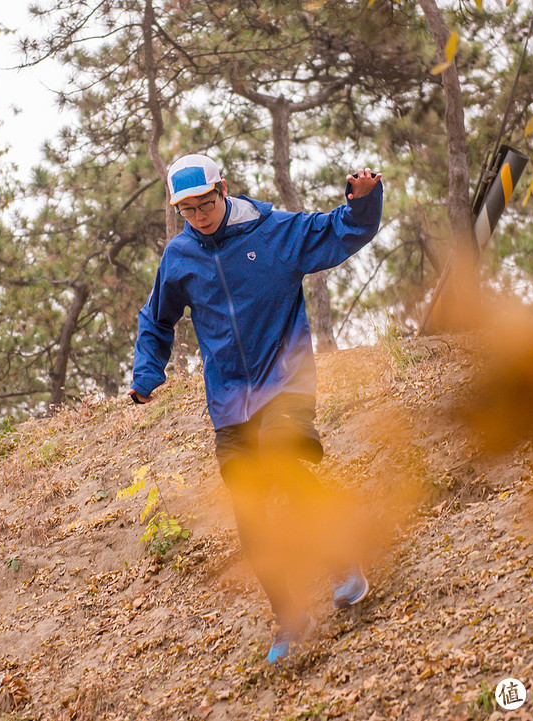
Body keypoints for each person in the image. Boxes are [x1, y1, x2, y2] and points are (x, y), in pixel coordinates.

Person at [127, 153, 383, 663]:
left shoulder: (273, 233)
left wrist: (363, 201)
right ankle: (291, 618)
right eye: (188, 211)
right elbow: (156, 319)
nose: (200, 217)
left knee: (285, 458)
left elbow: (336, 231)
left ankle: (342, 563)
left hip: (285, 381)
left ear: (223, 189)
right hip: (229, 404)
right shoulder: (180, 256)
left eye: (205, 205)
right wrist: (146, 374)